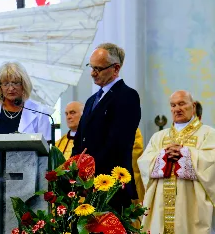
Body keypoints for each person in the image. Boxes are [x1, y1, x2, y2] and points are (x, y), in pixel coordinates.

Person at [72, 43, 141, 212]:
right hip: (88, 185)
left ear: (115, 68)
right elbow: (80, 139)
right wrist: (75, 170)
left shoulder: (127, 96)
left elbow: (118, 143)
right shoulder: (91, 101)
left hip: (111, 185)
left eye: (99, 68)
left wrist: (90, 172)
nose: (93, 73)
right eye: (91, 67)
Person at [138, 90, 215, 234]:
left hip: (191, 206)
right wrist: (163, 156)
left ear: (193, 106)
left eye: (181, 104)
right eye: (173, 105)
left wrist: (185, 154)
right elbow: (143, 162)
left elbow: (212, 162)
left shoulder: (208, 134)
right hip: (160, 205)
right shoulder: (158, 136)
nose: (177, 109)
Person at [0, 62, 51, 141]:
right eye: (6, 84)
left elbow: (46, 147)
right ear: (0, 87)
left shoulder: (39, 112)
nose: (11, 88)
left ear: (23, 85)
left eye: (16, 83)